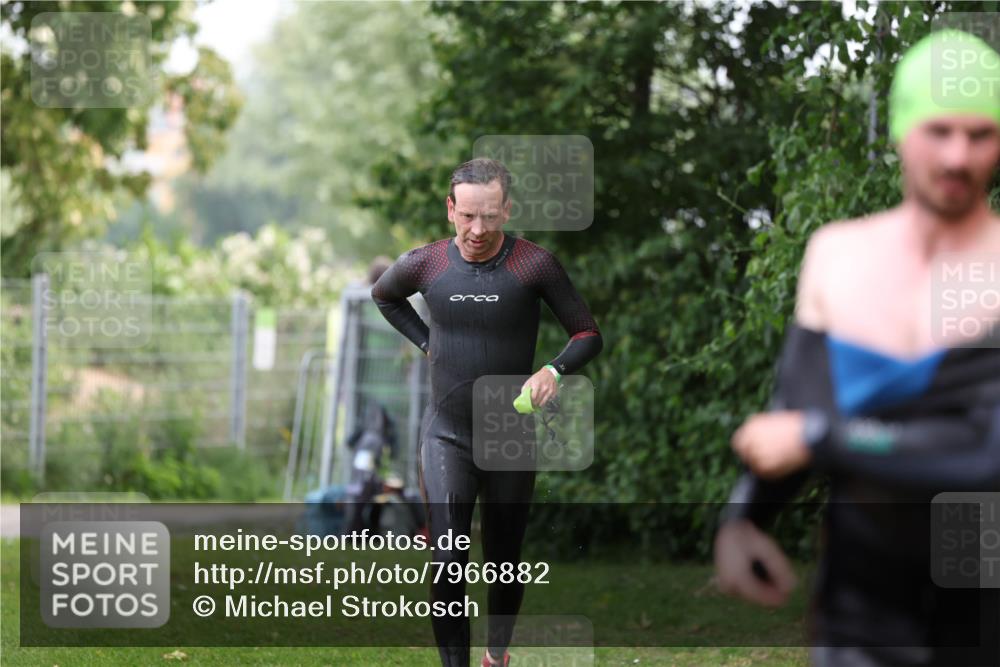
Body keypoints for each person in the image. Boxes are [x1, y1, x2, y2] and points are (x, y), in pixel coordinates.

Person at [715, 30, 1000, 667]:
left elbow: (984, 456)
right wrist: (741, 521)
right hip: (858, 610)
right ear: (900, 129)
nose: (958, 156)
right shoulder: (837, 255)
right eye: (939, 130)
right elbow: (794, 403)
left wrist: (822, 437)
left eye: (980, 135)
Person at [371, 157, 603, 666]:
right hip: (446, 433)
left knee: (503, 561)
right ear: (451, 208)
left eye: (491, 216)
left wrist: (554, 371)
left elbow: (587, 333)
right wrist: (428, 342)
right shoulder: (427, 263)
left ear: (507, 210)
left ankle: (496, 657)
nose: (479, 229)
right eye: (469, 215)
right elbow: (384, 295)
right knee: (448, 558)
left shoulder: (534, 265)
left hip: (508, 434)